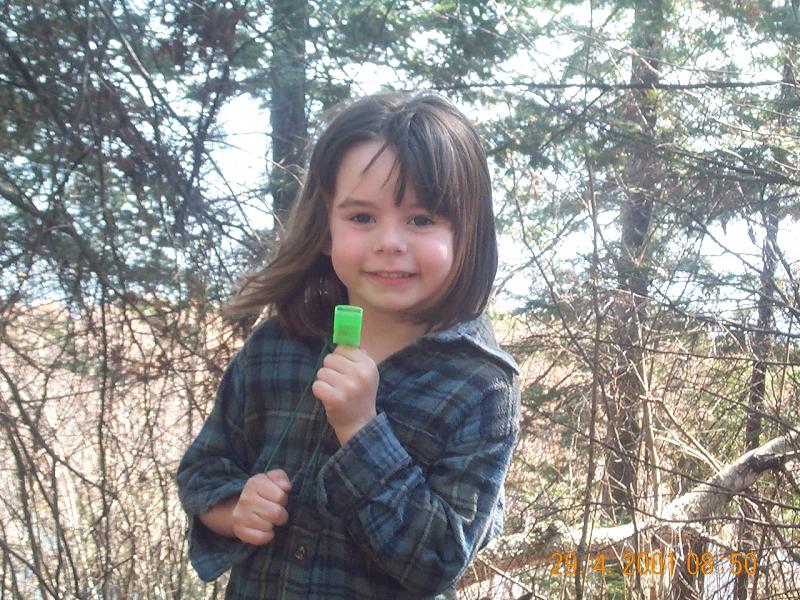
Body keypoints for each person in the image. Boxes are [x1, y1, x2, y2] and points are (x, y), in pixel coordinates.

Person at [176, 91, 520, 599]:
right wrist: (234, 510)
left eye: (421, 219)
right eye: (362, 217)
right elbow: (203, 470)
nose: (390, 242)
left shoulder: (482, 387)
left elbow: (440, 559)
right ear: (325, 229)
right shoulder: (276, 347)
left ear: (467, 235)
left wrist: (360, 430)